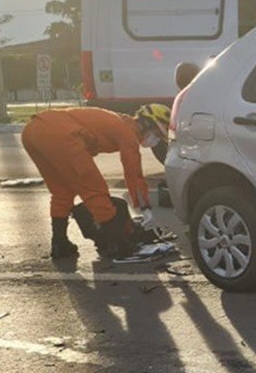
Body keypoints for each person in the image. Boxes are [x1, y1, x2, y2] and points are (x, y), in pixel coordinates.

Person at [21, 104, 170, 259]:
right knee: (95, 191)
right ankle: (119, 245)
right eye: (157, 133)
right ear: (147, 124)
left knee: (62, 191)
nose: (157, 139)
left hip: (32, 131)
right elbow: (134, 174)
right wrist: (144, 207)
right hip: (61, 134)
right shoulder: (128, 132)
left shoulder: (120, 122)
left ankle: (60, 243)